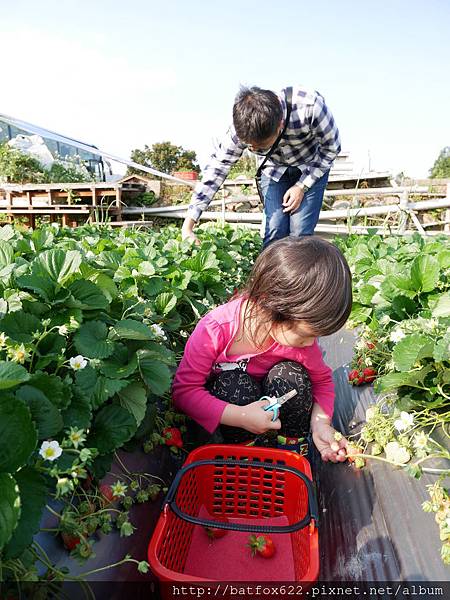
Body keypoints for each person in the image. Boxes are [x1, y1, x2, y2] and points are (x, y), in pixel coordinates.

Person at [172, 236, 352, 462]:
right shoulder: (216, 330)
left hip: (276, 400)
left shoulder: (302, 344)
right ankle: (247, 455)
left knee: (292, 376)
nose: (310, 343)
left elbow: (323, 382)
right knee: (232, 385)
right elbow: (184, 392)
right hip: (234, 409)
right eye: (305, 335)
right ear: (271, 304)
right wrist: (242, 417)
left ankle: (291, 452)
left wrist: (320, 424)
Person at [182, 85, 341, 249]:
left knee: (300, 233)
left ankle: (299, 273)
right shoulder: (243, 127)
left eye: (260, 147)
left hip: (311, 165)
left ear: (280, 125)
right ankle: (270, 274)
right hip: (274, 169)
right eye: (250, 147)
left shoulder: (310, 107)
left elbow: (331, 148)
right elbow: (217, 169)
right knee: (275, 229)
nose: (254, 150)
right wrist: (188, 225)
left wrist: (301, 186)